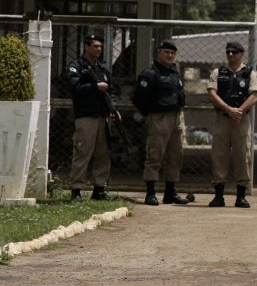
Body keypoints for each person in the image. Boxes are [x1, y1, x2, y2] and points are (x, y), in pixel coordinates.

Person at [132, 40, 190, 206]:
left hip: (176, 118)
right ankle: (150, 193)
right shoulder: (150, 74)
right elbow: (139, 99)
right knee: (155, 155)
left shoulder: (174, 72)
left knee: (175, 156)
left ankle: (170, 193)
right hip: (159, 117)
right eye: (166, 52)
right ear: (158, 53)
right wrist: (151, 114)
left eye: (172, 53)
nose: (170, 55)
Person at [66, 34, 120, 201]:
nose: (98, 49)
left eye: (100, 47)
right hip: (86, 116)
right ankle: (76, 190)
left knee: (103, 154)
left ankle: (99, 189)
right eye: (95, 46)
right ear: (86, 47)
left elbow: (112, 91)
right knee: (83, 153)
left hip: (103, 117)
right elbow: (74, 87)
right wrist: (95, 87)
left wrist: (114, 108)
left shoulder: (102, 69)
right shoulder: (76, 66)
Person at [206, 41, 257, 208]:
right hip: (222, 119)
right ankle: (219, 196)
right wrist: (229, 109)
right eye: (228, 52)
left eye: (234, 52)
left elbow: (254, 95)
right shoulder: (218, 72)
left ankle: (241, 196)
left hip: (241, 120)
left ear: (241, 53)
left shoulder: (249, 73)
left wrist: (239, 112)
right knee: (219, 155)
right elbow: (212, 93)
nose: (230, 55)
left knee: (242, 155)